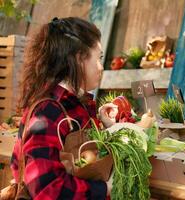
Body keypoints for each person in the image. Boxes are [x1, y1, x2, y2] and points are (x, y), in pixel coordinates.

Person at [10, 17, 117, 199]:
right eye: (98, 58)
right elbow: (47, 189)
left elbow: (85, 158)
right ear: (78, 59)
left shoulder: (74, 104)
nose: (101, 67)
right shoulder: (48, 112)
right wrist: (105, 189)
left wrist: (107, 127)